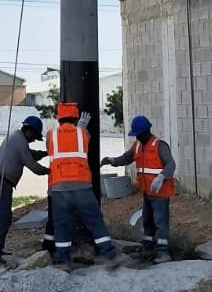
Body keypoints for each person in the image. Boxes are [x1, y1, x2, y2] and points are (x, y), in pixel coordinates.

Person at [47, 102, 119, 270]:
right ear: (76, 118)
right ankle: (110, 256)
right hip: (82, 187)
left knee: (62, 226)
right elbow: (85, 140)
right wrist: (81, 128)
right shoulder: (83, 133)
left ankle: (63, 261)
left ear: (59, 119)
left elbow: (51, 149)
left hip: (59, 188)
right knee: (95, 222)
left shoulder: (51, 135)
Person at [103, 114, 177, 263]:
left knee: (160, 223)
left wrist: (161, 177)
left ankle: (163, 253)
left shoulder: (159, 145)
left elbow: (171, 164)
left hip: (160, 194)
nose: (137, 137)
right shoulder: (137, 145)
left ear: (146, 132)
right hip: (147, 193)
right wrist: (112, 161)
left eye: (139, 134)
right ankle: (147, 249)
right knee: (147, 222)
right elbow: (127, 158)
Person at [0, 114, 48, 266]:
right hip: (2, 182)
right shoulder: (19, 142)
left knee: (3, 216)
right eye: (34, 137)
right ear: (30, 131)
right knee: (3, 217)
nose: (33, 140)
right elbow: (32, 165)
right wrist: (50, 171)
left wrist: (45, 153)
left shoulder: (16, 138)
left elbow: (30, 154)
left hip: (0, 181)